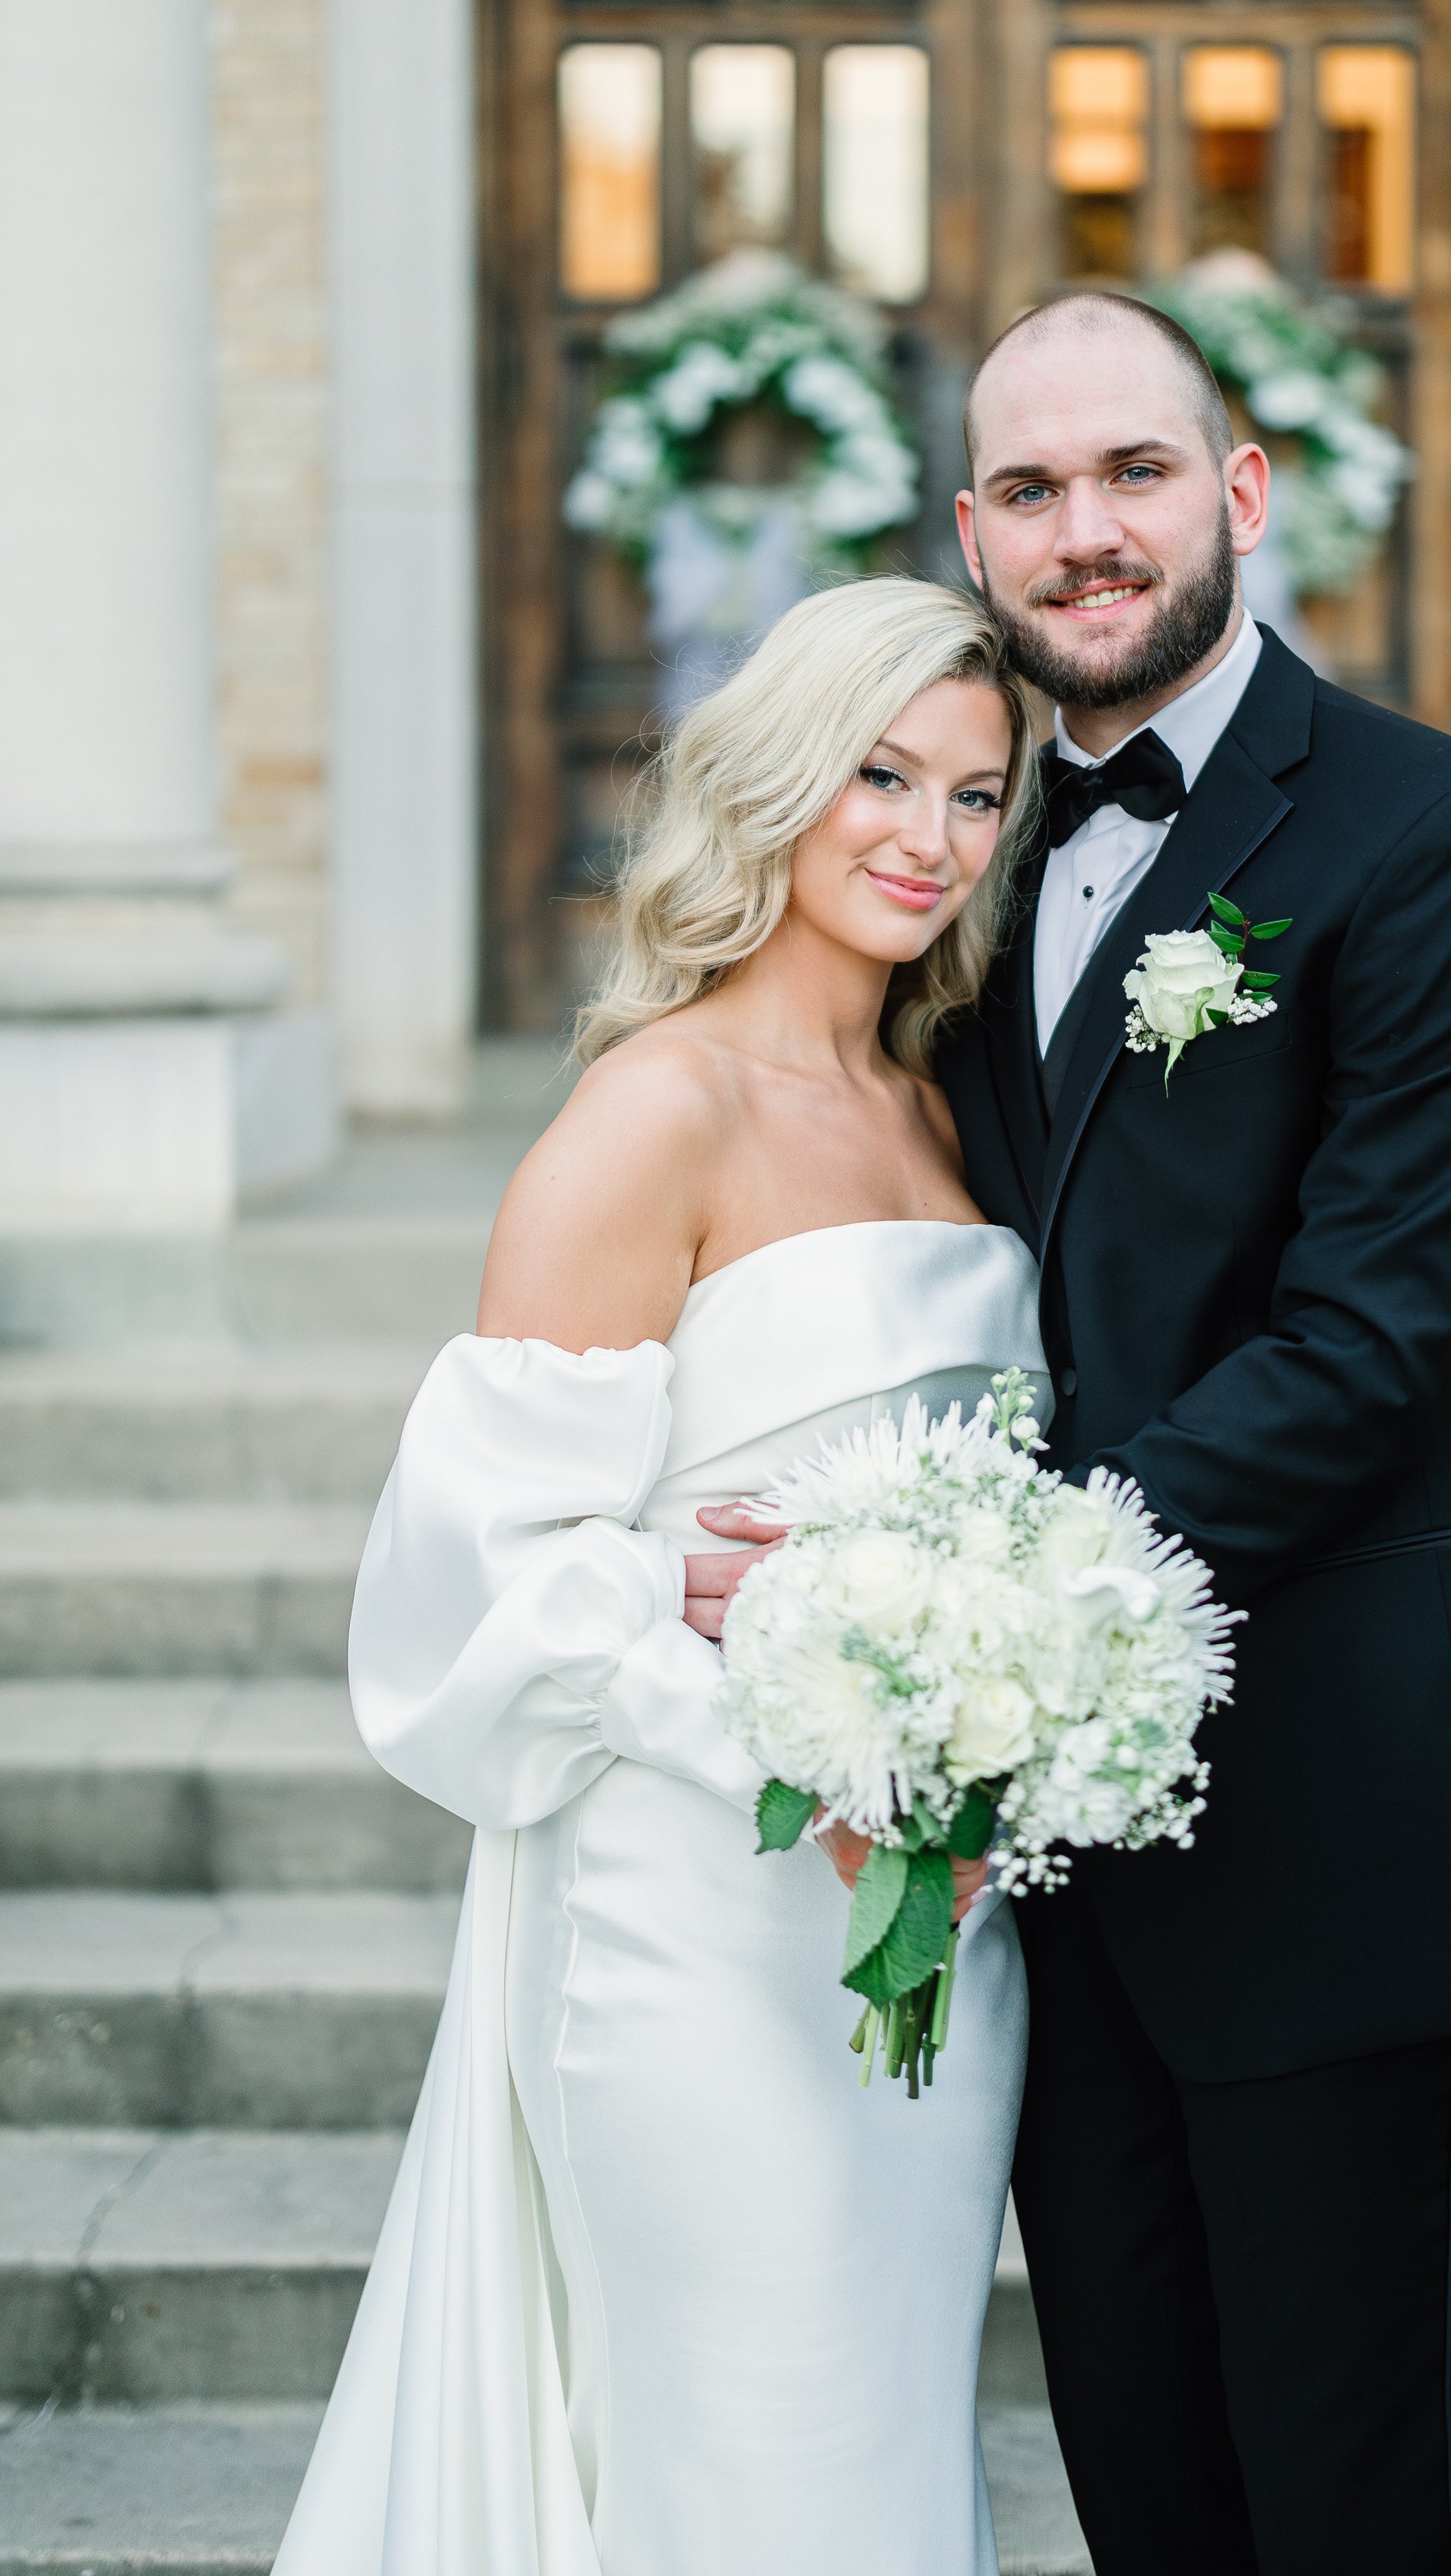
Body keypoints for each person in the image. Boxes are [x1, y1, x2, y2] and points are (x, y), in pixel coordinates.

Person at [934, 292, 1451, 2574]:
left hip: (1340, 1816)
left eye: (1130, 471)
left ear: (1237, 493)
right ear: (973, 537)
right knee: (1151, 2486)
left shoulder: (1433, 837)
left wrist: (969, 1603)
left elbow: (1370, 1343)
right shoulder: (955, 846)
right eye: (1028, 493)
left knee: (1361, 2507)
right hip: (1060, 1847)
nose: (1083, 534)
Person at [274, 579, 1047, 2576]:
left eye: (976, 798)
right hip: (695, 1923)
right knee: (735, 2456)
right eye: (879, 776)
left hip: (929, 1930)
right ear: (778, 781)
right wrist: (810, 1768)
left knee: (872, 2448)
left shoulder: (943, 1113)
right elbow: (493, 1583)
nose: (926, 837)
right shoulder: (647, 1117)